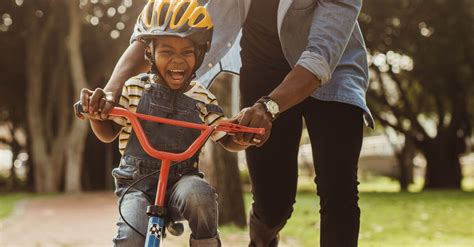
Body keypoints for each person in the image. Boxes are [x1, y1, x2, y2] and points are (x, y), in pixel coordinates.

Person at [93, 0, 374, 246]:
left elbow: (319, 59)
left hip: (334, 71)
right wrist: (108, 93)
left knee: (338, 186)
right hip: (264, 71)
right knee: (273, 205)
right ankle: (262, 239)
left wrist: (269, 107)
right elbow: (159, 24)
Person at [75, 1, 250, 246]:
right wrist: (96, 115)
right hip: (137, 184)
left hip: (182, 182)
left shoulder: (202, 98)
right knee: (130, 236)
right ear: (150, 53)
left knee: (200, 196)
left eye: (187, 53)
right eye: (167, 51)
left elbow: (225, 136)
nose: (178, 61)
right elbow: (108, 132)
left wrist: (240, 138)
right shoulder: (134, 88)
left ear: (200, 54)